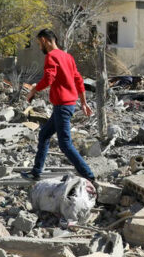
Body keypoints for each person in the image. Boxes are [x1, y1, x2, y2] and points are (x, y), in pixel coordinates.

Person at [21, 29, 96, 182]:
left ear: (44, 40)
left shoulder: (51, 56)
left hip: (62, 105)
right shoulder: (67, 57)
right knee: (44, 135)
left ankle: (89, 175)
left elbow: (48, 78)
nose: (39, 47)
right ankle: (36, 172)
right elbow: (78, 80)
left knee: (65, 144)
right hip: (66, 105)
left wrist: (33, 90)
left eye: (38, 43)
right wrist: (83, 102)